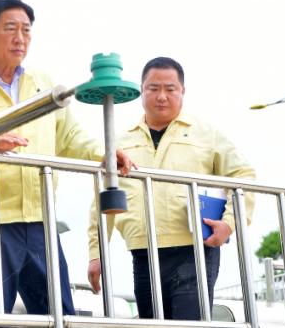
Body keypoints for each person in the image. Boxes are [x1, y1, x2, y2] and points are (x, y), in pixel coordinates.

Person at [0, 0, 133, 317]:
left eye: (26, 30)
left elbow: (69, 136)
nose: (20, 38)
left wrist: (104, 154)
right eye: (11, 28)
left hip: (41, 221)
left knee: (59, 316)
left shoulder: (44, 85)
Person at [87, 56, 255, 320]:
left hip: (194, 249)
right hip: (143, 252)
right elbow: (102, 200)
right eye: (153, 88)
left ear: (183, 91)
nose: (162, 96)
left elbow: (243, 175)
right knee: (152, 325)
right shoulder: (120, 142)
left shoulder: (206, 134)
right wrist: (96, 254)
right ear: (142, 91)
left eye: (170, 89)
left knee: (190, 325)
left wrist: (230, 223)